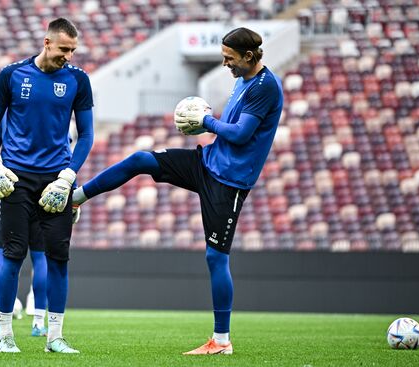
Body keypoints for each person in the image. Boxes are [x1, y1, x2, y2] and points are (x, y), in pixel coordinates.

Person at [72, 27, 283, 355]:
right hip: (208, 162)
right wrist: (207, 126)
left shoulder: (266, 87)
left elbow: (241, 135)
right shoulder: (243, 79)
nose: (225, 64)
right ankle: (76, 198)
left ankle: (222, 341)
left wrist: (206, 121)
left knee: (216, 257)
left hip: (229, 182)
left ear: (249, 57)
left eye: (230, 59)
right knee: (142, 159)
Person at [0, 17, 94, 353]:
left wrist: (68, 176)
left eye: (73, 50)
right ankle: (5, 335)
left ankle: (55, 337)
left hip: (56, 180)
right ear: (46, 43)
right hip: (16, 178)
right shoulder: (12, 75)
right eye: (64, 49)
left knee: (58, 258)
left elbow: (87, 134)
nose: (69, 56)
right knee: (12, 256)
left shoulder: (78, 80)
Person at [0, 202, 48, 338]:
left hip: (14, 197)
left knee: (0, 255)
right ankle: (39, 324)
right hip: (40, 198)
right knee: (41, 258)